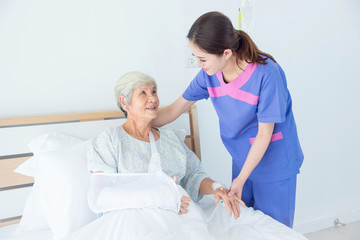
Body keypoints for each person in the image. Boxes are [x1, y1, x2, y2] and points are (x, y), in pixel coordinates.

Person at [153, 11, 304, 228]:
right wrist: (138, 121)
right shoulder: (209, 74)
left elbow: (264, 134)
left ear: (226, 53)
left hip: (275, 162)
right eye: (195, 57)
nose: (198, 63)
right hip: (243, 158)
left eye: (202, 58)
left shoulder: (267, 74)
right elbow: (175, 109)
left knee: (274, 229)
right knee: (244, 225)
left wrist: (240, 179)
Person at [86, 71, 241, 219]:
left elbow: (194, 176)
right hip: (133, 221)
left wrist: (216, 187)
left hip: (180, 219)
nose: (152, 98)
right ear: (124, 102)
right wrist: (157, 198)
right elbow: (100, 196)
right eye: (143, 93)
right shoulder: (111, 140)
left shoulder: (170, 139)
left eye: (154, 92)